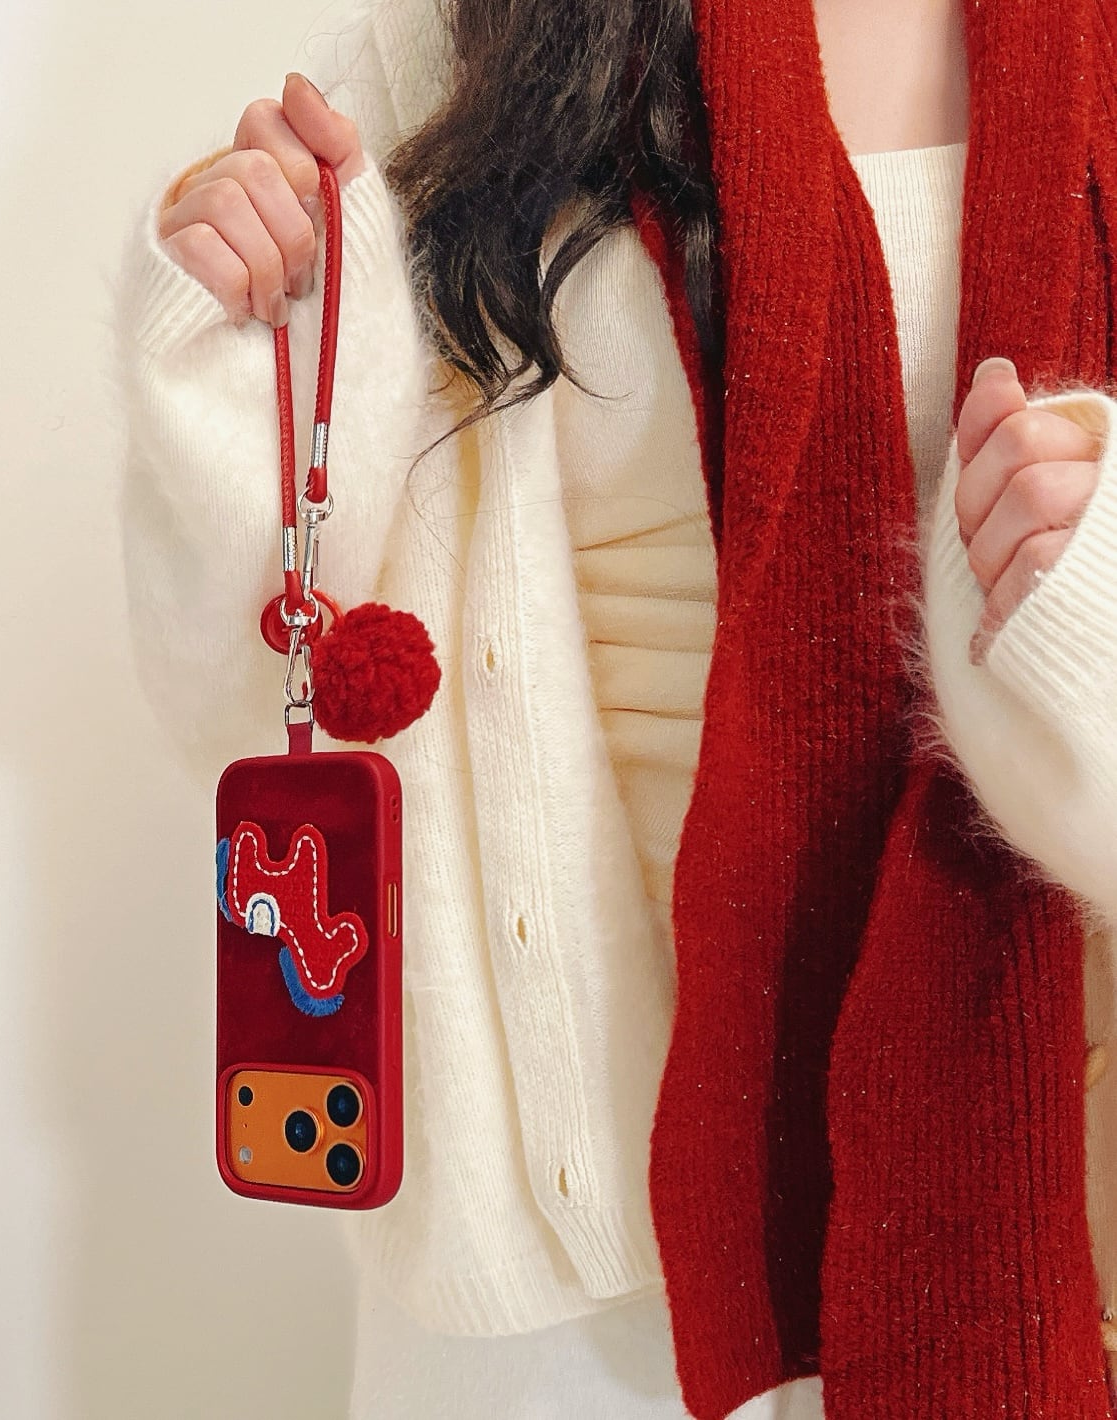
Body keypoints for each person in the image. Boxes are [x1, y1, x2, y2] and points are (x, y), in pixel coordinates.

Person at [114, 0, 1117, 1413]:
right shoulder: (466, 45)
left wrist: (1090, 596)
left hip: (1050, 1185)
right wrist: (232, 345)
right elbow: (250, 686)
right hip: (565, 1224)